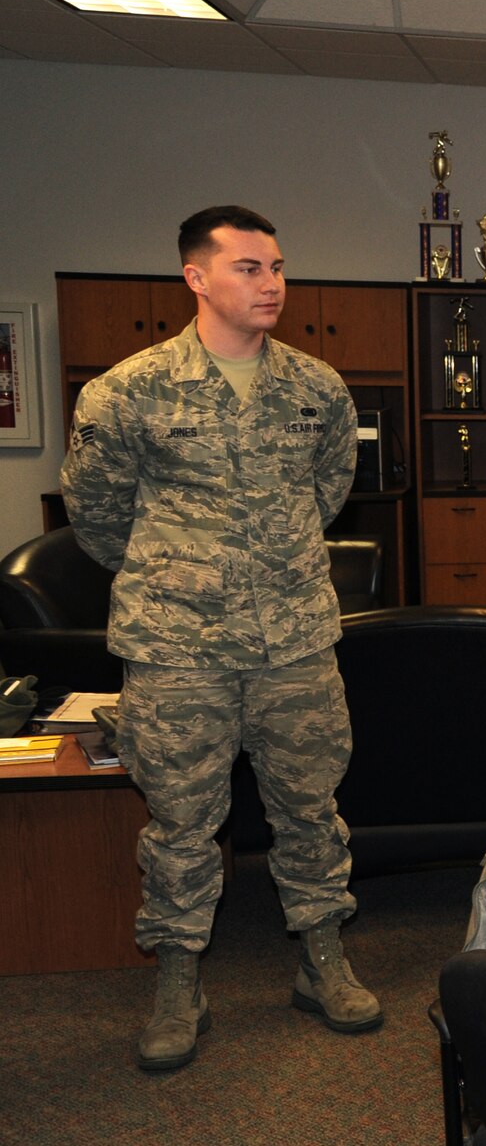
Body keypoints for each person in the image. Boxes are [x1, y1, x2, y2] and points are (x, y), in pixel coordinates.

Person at [61, 205, 379, 1071]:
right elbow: (94, 517)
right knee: (180, 823)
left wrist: (262, 568)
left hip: (295, 641)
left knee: (312, 809)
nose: (270, 282)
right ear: (196, 278)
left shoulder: (317, 388)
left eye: (276, 266)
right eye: (247, 267)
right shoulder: (128, 391)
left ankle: (322, 961)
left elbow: (327, 493)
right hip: (177, 649)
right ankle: (177, 983)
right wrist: (183, 573)